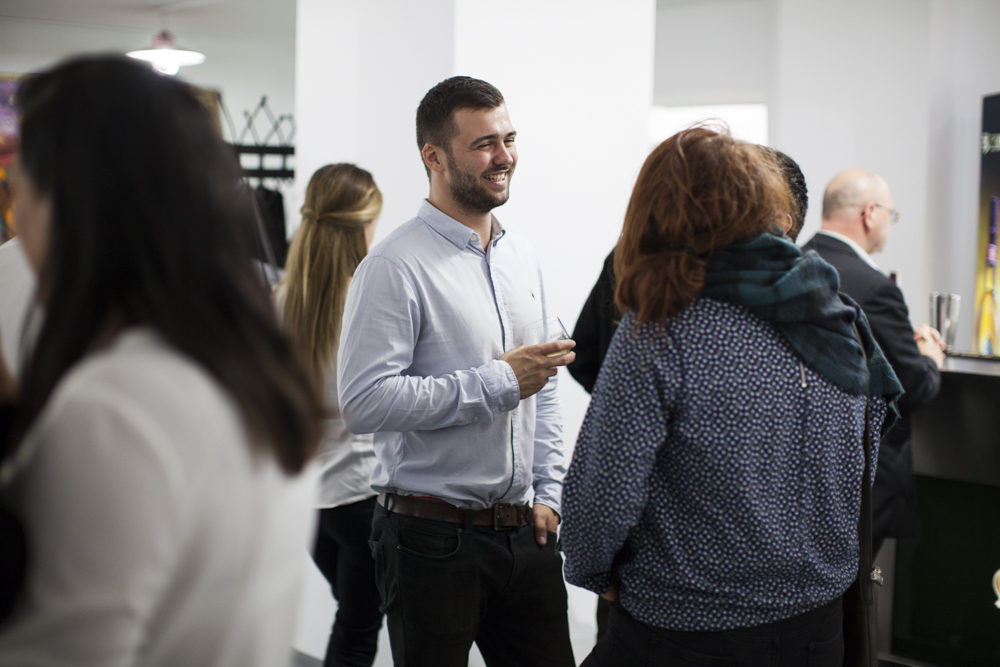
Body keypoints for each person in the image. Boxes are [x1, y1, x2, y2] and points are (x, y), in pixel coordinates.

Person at [0, 55, 324, 666]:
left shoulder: (117, 406)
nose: (15, 208)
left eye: (22, 184)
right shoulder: (251, 371)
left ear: (73, 202)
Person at [560, 127, 903, 666]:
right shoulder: (839, 317)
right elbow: (863, 462)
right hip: (818, 627)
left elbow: (604, 492)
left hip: (687, 627)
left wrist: (592, 573)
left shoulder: (661, 330)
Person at [337, 76, 577, 667]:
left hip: (526, 535)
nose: (504, 157)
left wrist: (550, 492)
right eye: (484, 144)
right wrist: (498, 382)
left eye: (509, 139)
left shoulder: (522, 257)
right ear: (435, 157)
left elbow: (542, 382)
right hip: (429, 542)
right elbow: (364, 402)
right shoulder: (393, 266)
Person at [802, 168, 944, 555]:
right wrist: (929, 356)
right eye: (891, 215)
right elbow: (913, 386)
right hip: (862, 475)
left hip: (799, 467)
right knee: (858, 585)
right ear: (870, 213)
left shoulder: (792, 266)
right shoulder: (876, 287)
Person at [278, 163, 383, 667]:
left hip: (306, 498)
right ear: (361, 227)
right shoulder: (365, 306)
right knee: (359, 628)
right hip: (361, 493)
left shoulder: (278, 303)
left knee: (353, 617)